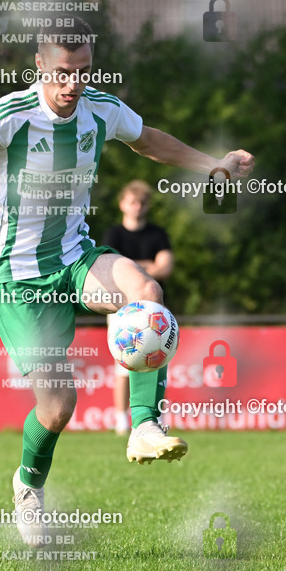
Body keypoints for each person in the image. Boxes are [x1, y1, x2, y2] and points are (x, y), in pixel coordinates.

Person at [0, 15, 253, 546]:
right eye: (62, 73)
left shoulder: (101, 107)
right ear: (39, 67)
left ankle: (144, 424)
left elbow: (149, 142)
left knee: (147, 293)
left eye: (82, 70)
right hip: (17, 275)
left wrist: (212, 163)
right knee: (57, 409)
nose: (72, 83)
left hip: (74, 256)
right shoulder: (10, 115)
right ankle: (28, 488)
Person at [103, 180, 174, 436]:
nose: (138, 207)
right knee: (124, 365)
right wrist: (147, 266)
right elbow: (111, 270)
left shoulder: (158, 235)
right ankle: (122, 419)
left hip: (156, 313)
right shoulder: (113, 235)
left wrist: (130, 266)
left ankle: (152, 417)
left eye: (142, 202)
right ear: (123, 204)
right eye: (133, 201)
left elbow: (165, 267)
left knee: (157, 361)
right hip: (123, 311)